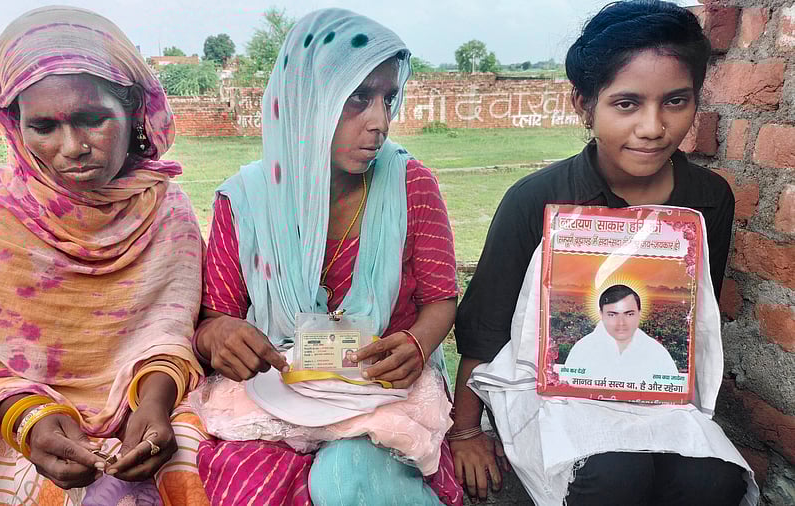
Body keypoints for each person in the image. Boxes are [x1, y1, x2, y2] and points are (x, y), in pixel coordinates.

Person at [450, 1, 757, 504]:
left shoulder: (707, 201)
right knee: (615, 476)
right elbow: (485, 326)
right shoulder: (535, 199)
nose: (653, 127)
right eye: (627, 104)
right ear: (583, 105)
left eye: (676, 101)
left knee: (713, 480)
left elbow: (694, 316)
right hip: (551, 393)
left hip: (659, 394)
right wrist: (466, 430)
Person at [0, 6, 209, 504]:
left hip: (157, 408)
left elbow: (174, 331)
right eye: (44, 126)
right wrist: (29, 421)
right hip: (31, 431)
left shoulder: (166, 210)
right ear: (15, 125)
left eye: (92, 119)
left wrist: (154, 400)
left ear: (133, 112)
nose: (72, 147)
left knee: (197, 479)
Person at [193, 8, 462, 505]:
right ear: (304, 100)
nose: (379, 122)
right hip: (275, 393)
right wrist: (221, 336)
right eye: (357, 99)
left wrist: (419, 344)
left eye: (387, 98)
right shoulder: (246, 201)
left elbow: (441, 298)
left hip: (382, 393)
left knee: (351, 478)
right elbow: (216, 317)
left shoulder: (410, 186)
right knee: (250, 484)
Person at [563, 284, 679, 382]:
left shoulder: (657, 353)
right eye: (612, 315)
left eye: (629, 314)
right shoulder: (582, 350)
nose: (621, 323)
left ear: (639, 313)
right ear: (601, 314)